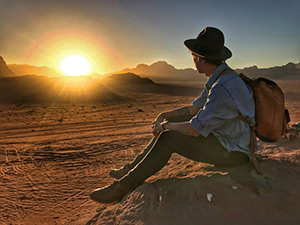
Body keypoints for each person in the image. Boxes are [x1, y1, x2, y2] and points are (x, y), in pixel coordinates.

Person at [90, 27, 255, 204]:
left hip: (234, 152)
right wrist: (166, 115)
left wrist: (164, 126)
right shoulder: (221, 78)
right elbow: (194, 109)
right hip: (226, 140)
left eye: (193, 56)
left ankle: (122, 187)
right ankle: (131, 168)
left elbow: (194, 129)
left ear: (198, 58)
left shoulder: (222, 87)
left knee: (169, 138)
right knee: (171, 124)